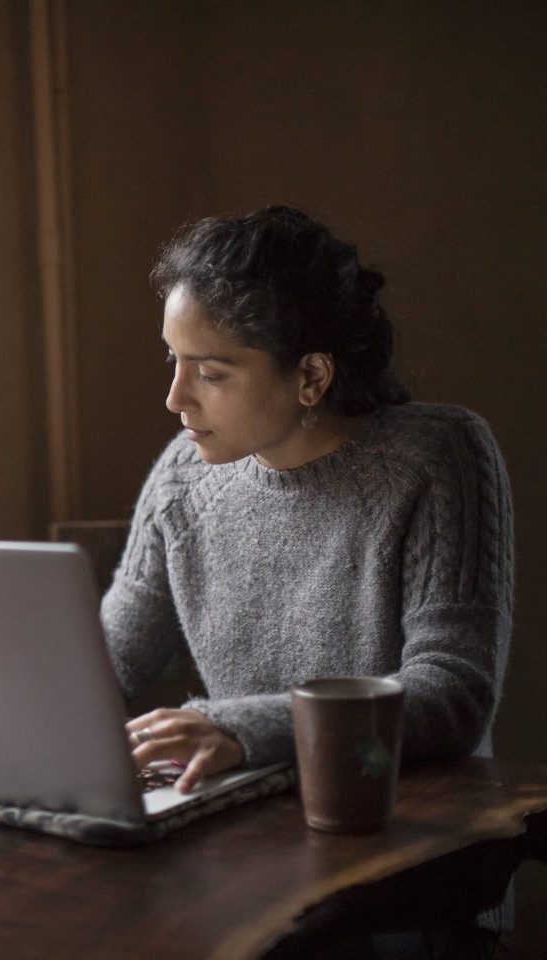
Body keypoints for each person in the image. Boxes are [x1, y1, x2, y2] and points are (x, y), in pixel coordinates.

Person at [101, 206, 514, 798]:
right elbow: (109, 664)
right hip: (249, 821)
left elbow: (453, 693)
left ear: (312, 377)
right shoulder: (181, 477)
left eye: (210, 373)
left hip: (407, 820)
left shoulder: (436, 457)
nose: (175, 398)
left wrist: (241, 728)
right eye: (175, 360)